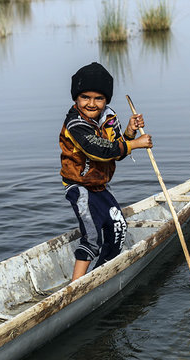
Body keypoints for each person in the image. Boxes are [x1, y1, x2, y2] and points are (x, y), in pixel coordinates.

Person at [59, 62, 153, 281]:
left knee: (118, 227)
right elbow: (98, 151)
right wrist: (135, 144)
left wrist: (129, 132)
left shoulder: (109, 117)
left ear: (106, 100)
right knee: (92, 237)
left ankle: (102, 273)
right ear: (76, 98)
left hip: (100, 185)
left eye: (98, 98)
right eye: (85, 97)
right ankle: (75, 287)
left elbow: (116, 152)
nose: (91, 104)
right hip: (80, 186)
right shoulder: (75, 124)